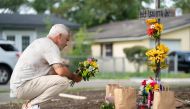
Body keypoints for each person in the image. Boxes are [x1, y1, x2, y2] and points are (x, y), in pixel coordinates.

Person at [10, 24, 82, 109]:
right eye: (66, 40)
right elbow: (61, 71)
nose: (67, 44)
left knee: (58, 79)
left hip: (18, 86)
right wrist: (74, 77)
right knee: (63, 82)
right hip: (22, 87)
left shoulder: (41, 42)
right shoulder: (50, 46)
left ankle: (31, 105)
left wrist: (73, 74)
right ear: (59, 36)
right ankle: (31, 105)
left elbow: (52, 72)